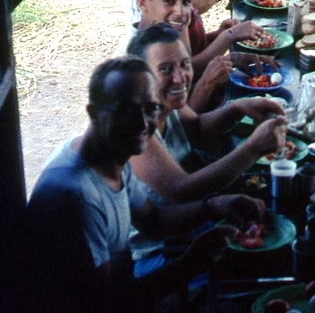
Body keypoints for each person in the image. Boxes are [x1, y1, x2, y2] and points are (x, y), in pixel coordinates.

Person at [24, 57, 265, 313]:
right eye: (126, 110)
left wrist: (215, 205)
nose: (141, 124)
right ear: (93, 114)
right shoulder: (75, 199)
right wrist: (189, 264)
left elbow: (153, 219)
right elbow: (105, 304)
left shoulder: (112, 153)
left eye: (151, 109)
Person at [126, 24, 287, 277]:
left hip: (194, 228)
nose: (181, 78)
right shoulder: (136, 128)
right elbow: (182, 189)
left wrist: (238, 108)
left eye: (184, 64)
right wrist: (253, 148)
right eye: (166, 69)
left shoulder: (168, 103)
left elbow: (198, 127)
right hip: (162, 254)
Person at [135, 0, 275, 111]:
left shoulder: (167, 30)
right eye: (169, 1)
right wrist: (207, 83)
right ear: (143, 2)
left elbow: (188, 60)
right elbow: (184, 127)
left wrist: (232, 58)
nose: (180, 12)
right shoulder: (138, 62)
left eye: (186, 1)